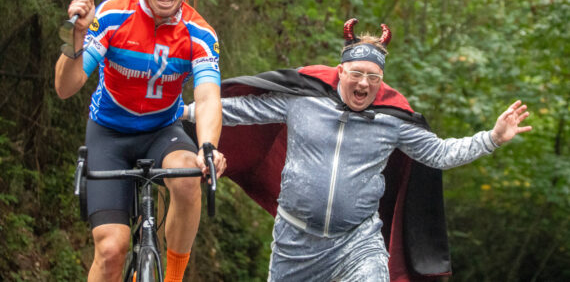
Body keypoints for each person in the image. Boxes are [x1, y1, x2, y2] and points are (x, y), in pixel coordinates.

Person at [185, 18, 532, 281]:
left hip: (356, 243)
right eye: (357, 73)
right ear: (340, 72)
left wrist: (493, 138)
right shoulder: (303, 101)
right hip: (294, 244)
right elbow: (236, 110)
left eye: (374, 77)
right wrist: (176, 113)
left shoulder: (391, 120)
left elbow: (438, 153)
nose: (364, 83)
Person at [54, 0, 226, 281]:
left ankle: (174, 277)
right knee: (111, 249)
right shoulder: (113, 16)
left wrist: (208, 147)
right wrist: (76, 36)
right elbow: (65, 87)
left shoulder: (200, 34)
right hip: (109, 135)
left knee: (189, 177)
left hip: (162, 132)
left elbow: (208, 97)